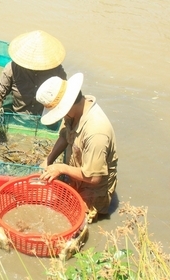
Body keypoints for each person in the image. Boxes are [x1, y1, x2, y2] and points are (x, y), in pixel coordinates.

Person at [36, 73, 118, 223]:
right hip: (75, 174)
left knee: (68, 221)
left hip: (93, 189)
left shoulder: (96, 131)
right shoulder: (73, 112)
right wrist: (49, 160)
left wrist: (61, 168)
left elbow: (94, 178)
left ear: (68, 105)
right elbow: (64, 136)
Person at [0, 30, 67, 116]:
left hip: (45, 118)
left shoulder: (56, 70)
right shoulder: (12, 68)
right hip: (18, 117)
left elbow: (65, 94)